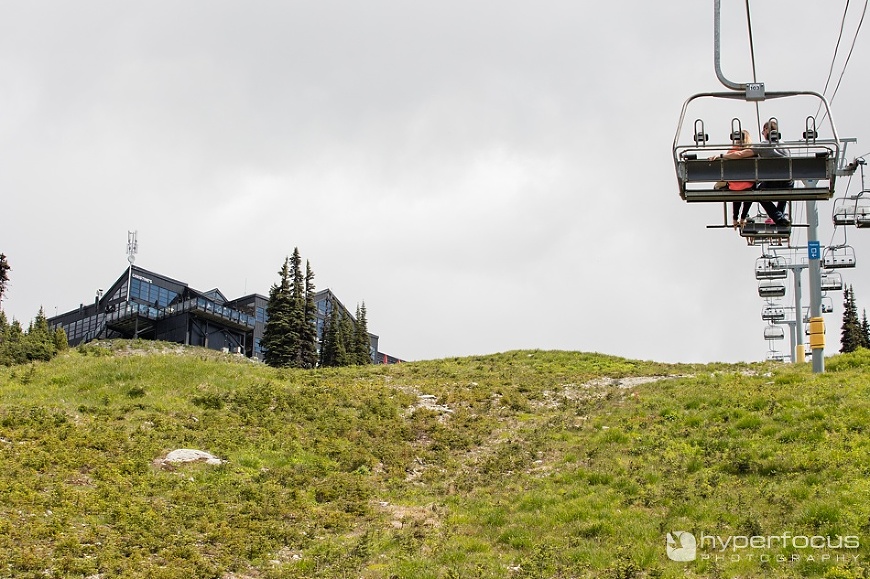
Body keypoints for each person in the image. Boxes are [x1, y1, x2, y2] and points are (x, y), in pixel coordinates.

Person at [709, 129, 755, 228]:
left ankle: (735, 218)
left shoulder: (730, 152)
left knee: (736, 191)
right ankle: (743, 217)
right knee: (750, 191)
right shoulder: (751, 151)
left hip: (734, 186)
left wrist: (719, 156)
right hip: (749, 185)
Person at [755, 120, 792, 226]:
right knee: (786, 186)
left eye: (763, 132)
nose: (763, 134)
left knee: (758, 193)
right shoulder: (786, 147)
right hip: (787, 184)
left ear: (767, 130)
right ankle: (779, 217)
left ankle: (778, 217)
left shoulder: (763, 145)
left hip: (771, 183)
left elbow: (748, 153)